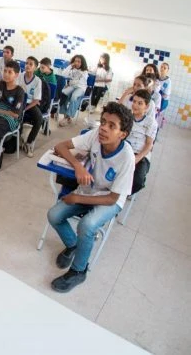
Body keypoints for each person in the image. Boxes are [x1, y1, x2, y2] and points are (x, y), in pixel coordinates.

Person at [47, 102, 135, 293]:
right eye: (103, 122)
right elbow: (60, 146)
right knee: (54, 215)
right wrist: (78, 166)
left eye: (112, 126)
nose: (103, 128)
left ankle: (79, 271)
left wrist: (77, 199)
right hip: (90, 190)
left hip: (110, 199)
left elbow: (112, 199)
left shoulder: (127, 158)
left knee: (86, 225)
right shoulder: (95, 136)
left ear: (123, 134)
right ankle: (74, 245)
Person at [127, 90, 157, 195]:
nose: (135, 105)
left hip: (141, 155)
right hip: (125, 150)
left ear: (146, 106)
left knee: (138, 182)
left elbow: (149, 144)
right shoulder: (127, 117)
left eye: (140, 103)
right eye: (134, 101)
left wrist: (137, 158)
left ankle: (125, 194)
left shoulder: (151, 123)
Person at [16, 56, 43, 157]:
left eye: (31, 64)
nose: (27, 65)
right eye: (26, 63)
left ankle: (29, 142)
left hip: (30, 104)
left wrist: (25, 109)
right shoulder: (19, 76)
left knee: (39, 118)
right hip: (19, 102)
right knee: (17, 116)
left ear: (35, 68)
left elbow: (36, 100)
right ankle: (18, 138)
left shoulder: (38, 81)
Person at [58, 54, 89, 127]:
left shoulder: (85, 71)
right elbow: (63, 75)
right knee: (63, 93)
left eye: (79, 62)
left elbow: (80, 82)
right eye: (75, 61)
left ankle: (67, 117)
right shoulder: (72, 69)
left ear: (82, 63)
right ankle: (65, 115)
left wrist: (70, 82)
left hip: (80, 88)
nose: (76, 63)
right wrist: (70, 66)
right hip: (72, 86)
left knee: (74, 96)